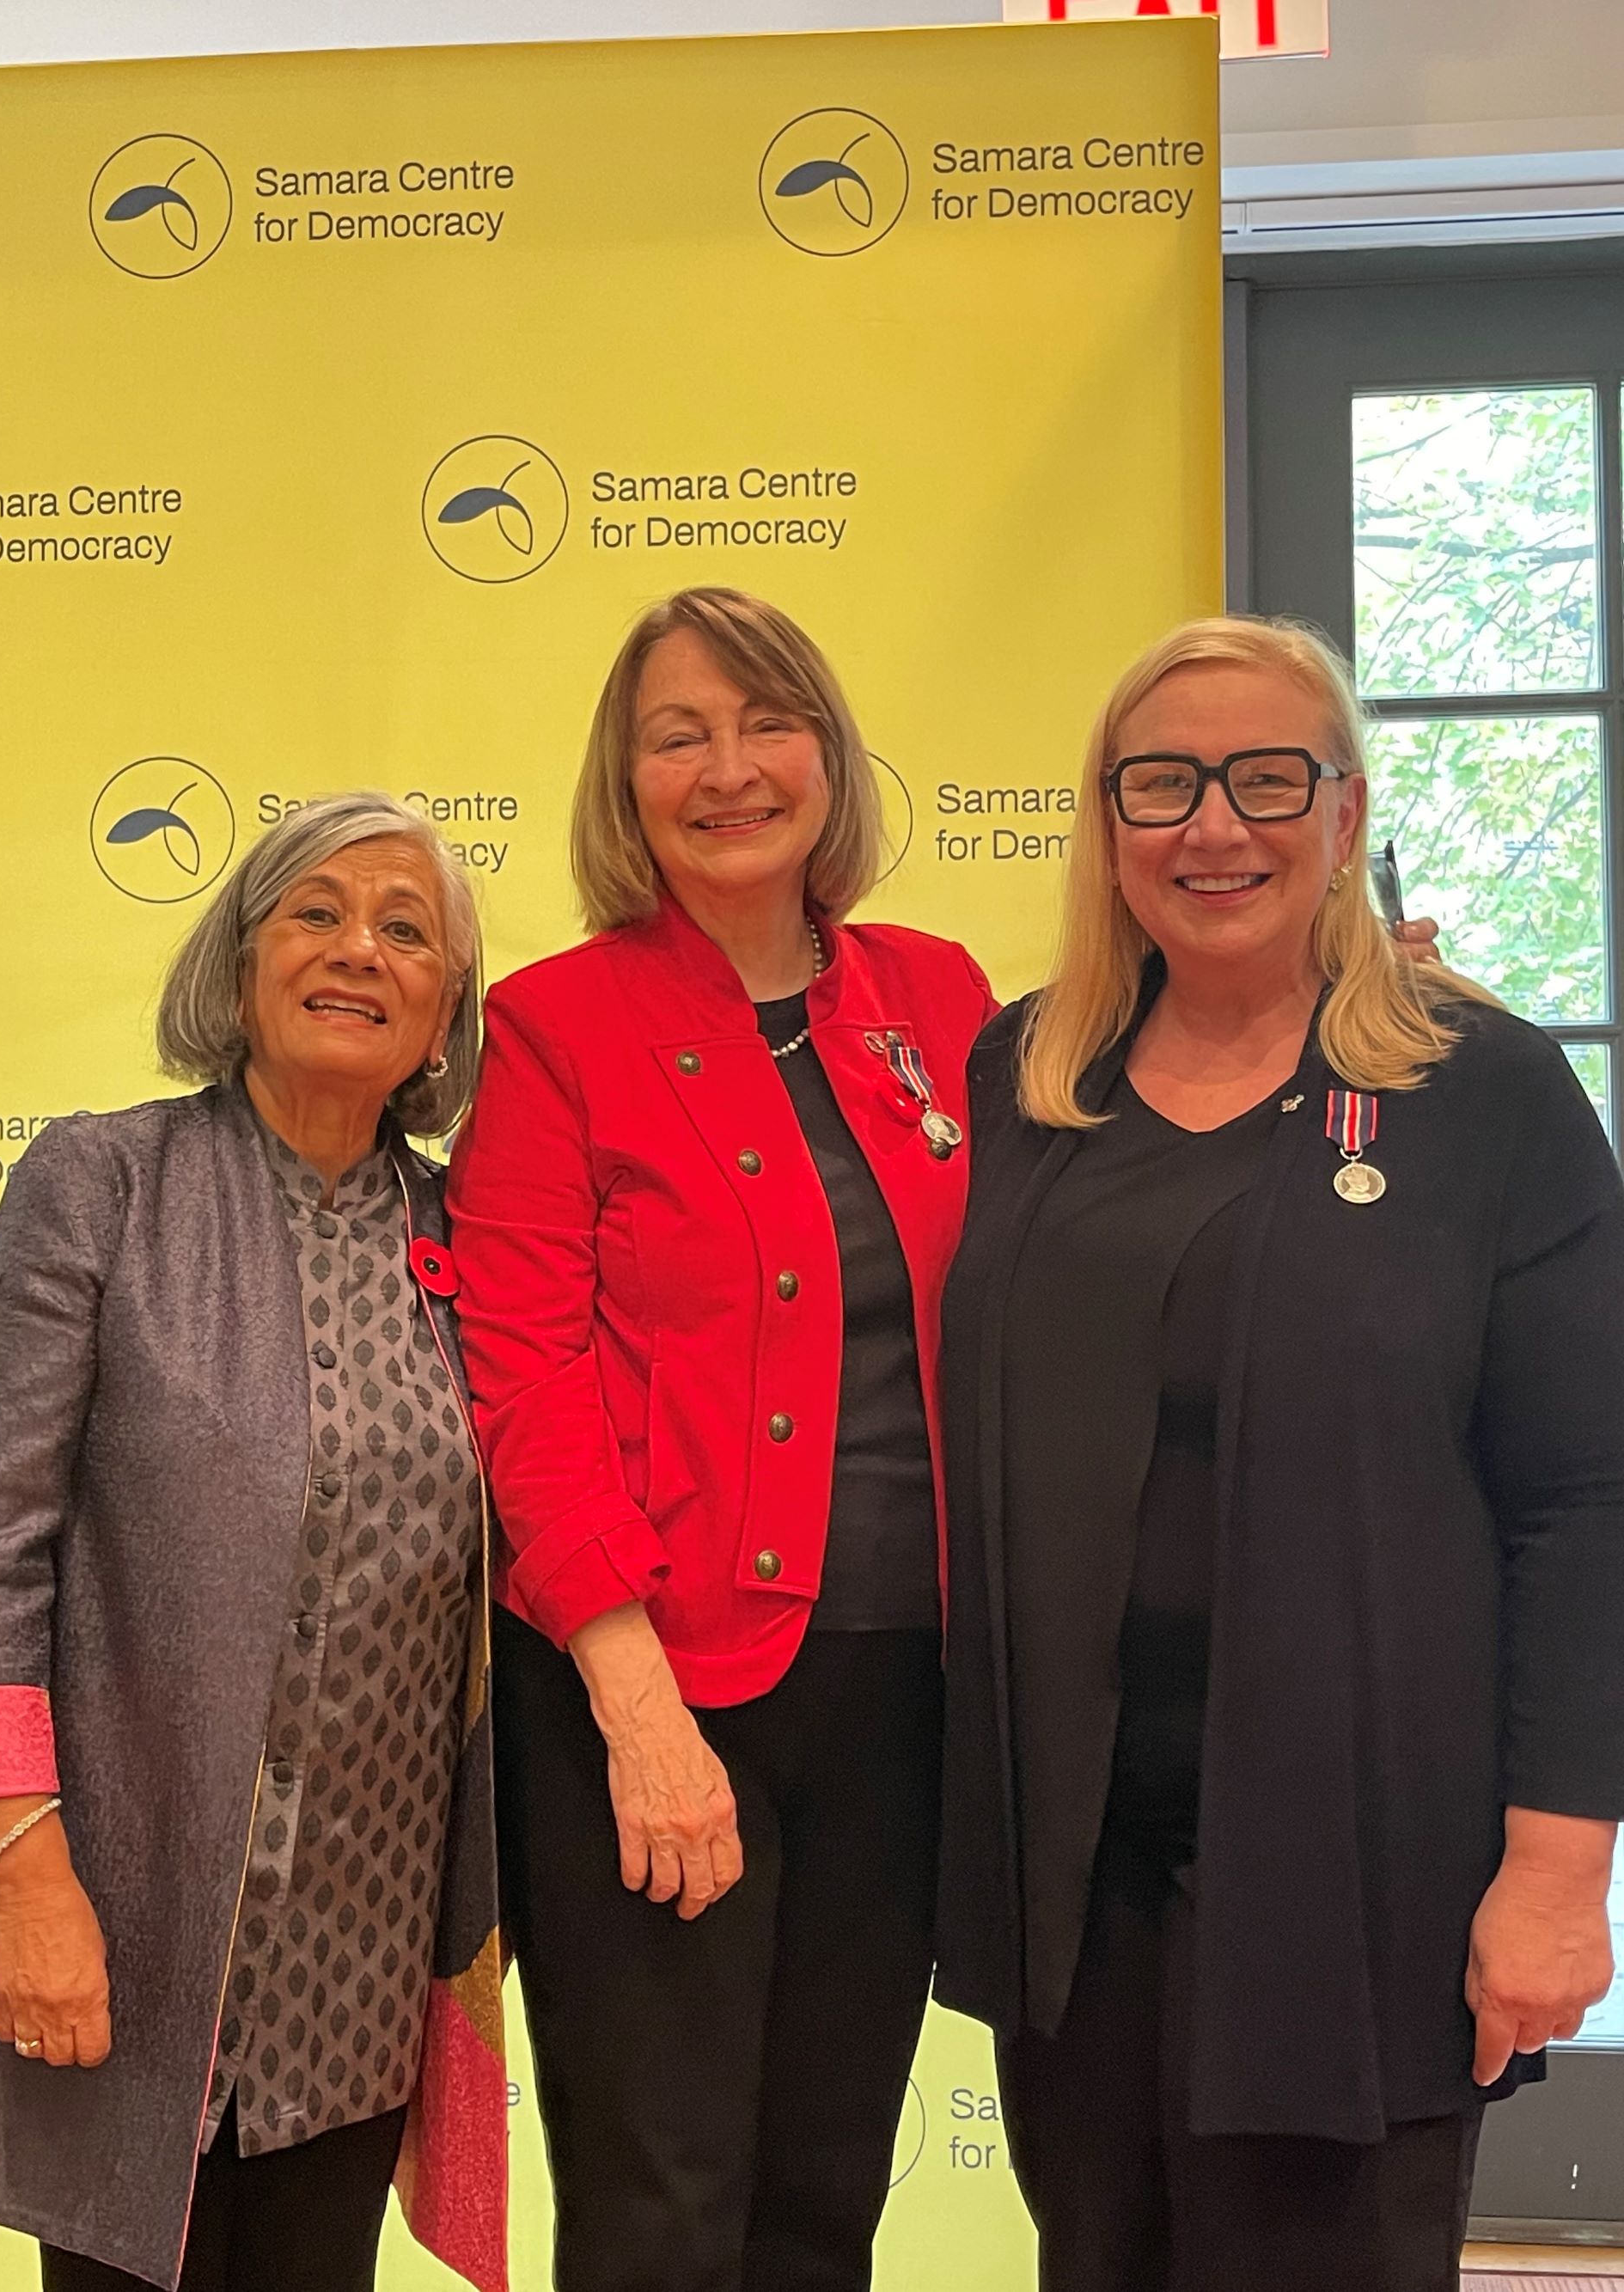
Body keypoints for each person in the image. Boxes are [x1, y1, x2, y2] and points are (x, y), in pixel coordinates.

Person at [936, 614, 1624, 2292]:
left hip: (1361, 1868)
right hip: (1078, 1878)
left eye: (1264, 779)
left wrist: (1554, 1870)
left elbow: (1584, 1496)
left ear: (1340, 811)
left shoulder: (1487, 1092)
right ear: (1107, 824)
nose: (1211, 826)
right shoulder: (1030, 1075)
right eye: (1160, 784)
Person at [445, 585, 994, 2291]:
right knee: (662, 2203)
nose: (730, 767)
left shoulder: (943, 994)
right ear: (626, 779)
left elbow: (1121, 1204)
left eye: (767, 723)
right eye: (678, 734)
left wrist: (1379, 1024)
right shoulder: (552, 1023)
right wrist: (637, 1710)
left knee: (825, 2190)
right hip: (650, 1691)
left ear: (828, 752)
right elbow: (518, 1379)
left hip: (905, 1689)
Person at [0, 794, 505, 2292]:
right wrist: (24, 1881)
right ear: (238, 967)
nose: (356, 948)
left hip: (357, 1974)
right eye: (314, 912)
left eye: (405, 929)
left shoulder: (478, 1244)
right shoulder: (98, 1185)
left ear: (445, 1014)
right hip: (118, 1931)